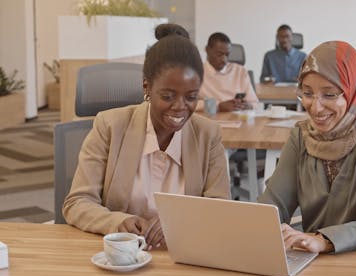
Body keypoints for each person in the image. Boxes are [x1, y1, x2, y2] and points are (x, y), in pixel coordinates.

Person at [63, 24, 231, 251]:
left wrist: (180, 221)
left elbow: (220, 208)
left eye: (191, 97)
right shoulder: (110, 126)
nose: (180, 107)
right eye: (168, 95)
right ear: (147, 87)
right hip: (119, 257)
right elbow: (77, 203)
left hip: (182, 257)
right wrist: (118, 222)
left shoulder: (208, 135)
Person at [258, 41, 356, 254]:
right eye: (307, 93)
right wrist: (252, 226)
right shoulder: (301, 136)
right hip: (313, 263)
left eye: (329, 95)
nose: (315, 107)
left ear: (353, 91)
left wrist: (324, 240)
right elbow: (273, 205)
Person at [198, 32, 258, 112]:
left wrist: (248, 106)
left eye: (227, 55)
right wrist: (218, 106)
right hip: (211, 119)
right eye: (219, 54)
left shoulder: (240, 71)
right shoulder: (196, 72)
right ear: (207, 50)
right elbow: (191, 104)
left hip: (238, 119)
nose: (224, 59)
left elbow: (254, 103)